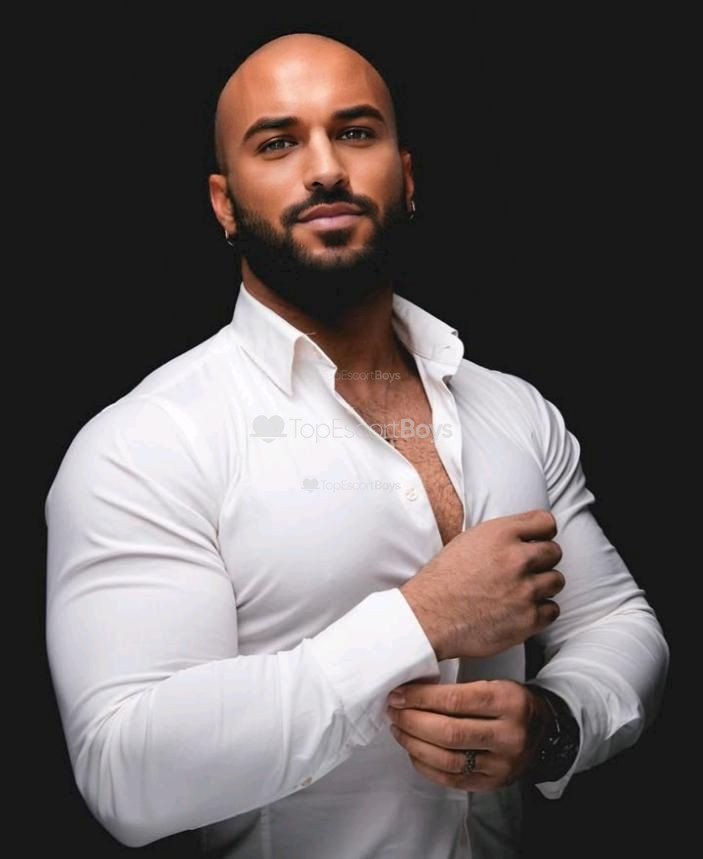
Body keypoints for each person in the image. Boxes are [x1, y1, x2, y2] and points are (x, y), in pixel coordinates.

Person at [44, 31, 670, 858]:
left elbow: (616, 619)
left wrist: (556, 725)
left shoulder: (513, 408)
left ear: (405, 176)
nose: (326, 168)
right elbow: (125, 773)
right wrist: (420, 619)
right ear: (224, 203)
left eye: (354, 131)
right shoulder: (146, 442)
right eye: (277, 142)